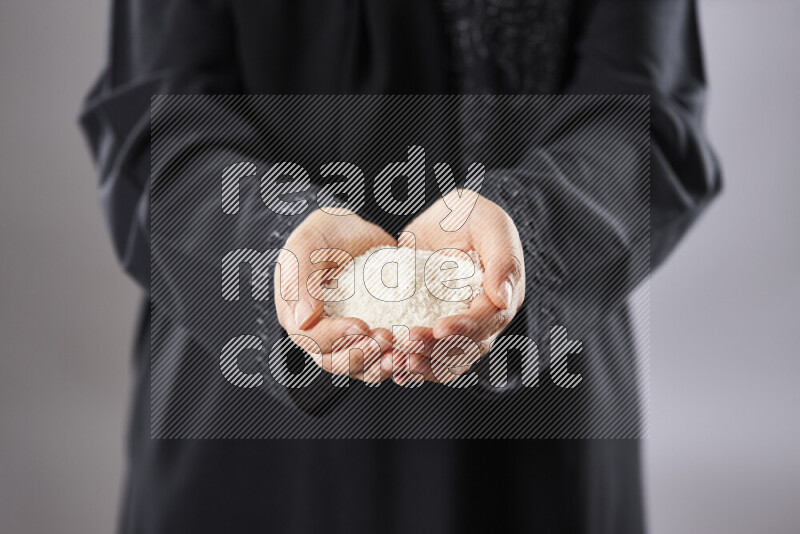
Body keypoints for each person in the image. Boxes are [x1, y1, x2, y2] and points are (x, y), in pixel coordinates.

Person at [79, 1, 721, 532]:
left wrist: (529, 228)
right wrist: (274, 237)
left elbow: (648, 112)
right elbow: (155, 118)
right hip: (242, 424)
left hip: (529, 425)